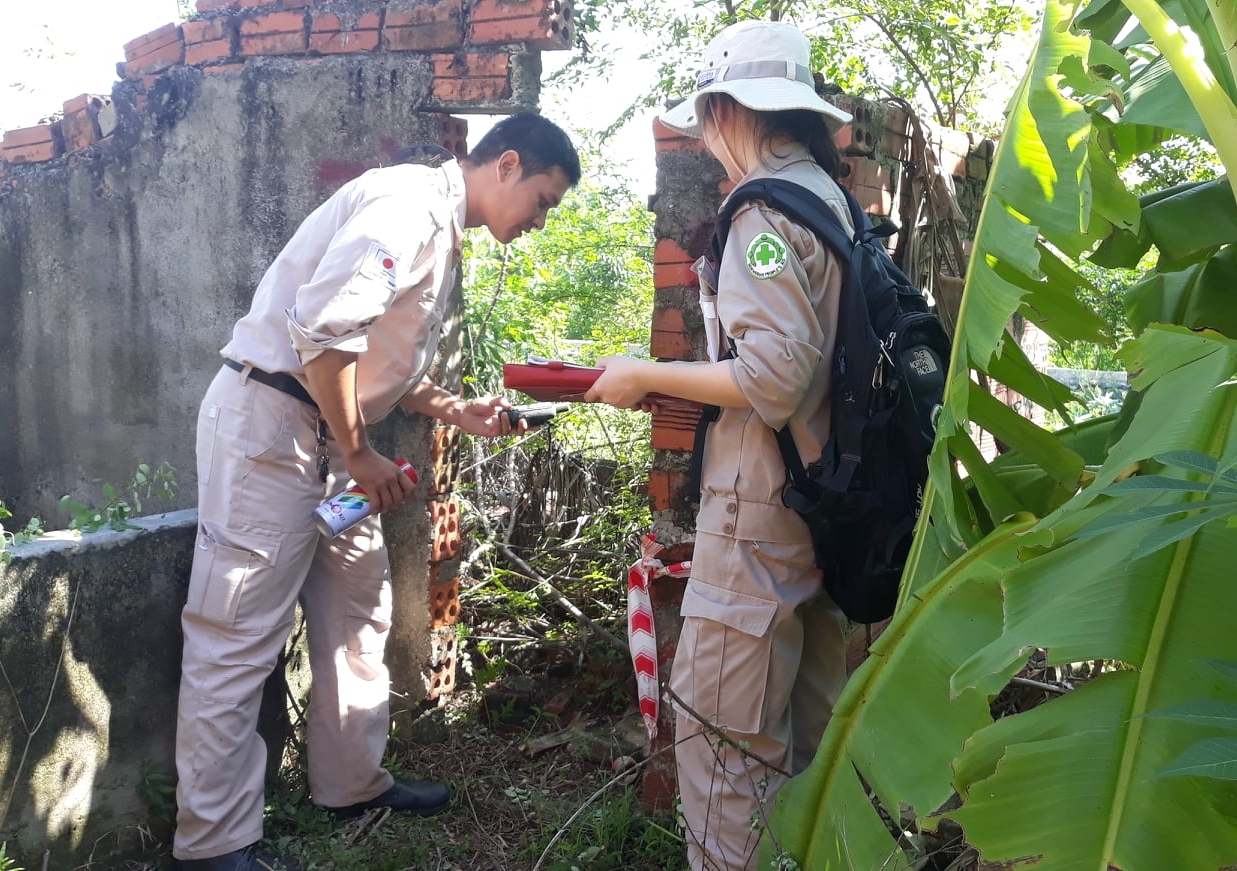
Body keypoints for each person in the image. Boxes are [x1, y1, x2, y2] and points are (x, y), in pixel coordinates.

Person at [174, 112, 581, 871]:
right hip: (275, 430)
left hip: (330, 444)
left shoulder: (442, 223)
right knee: (235, 638)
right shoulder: (409, 207)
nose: (539, 221)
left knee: (359, 609)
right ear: (508, 165)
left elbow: (374, 348)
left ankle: (350, 782)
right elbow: (324, 333)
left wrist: (454, 407)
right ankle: (213, 846)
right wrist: (361, 452)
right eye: (544, 200)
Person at [584, 20, 852, 871]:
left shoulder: (767, 211)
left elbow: (774, 378)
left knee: (725, 748)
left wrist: (646, 375)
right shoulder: (831, 198)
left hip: (762, 509)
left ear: (729, 108)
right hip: (825, 506)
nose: (705, 141)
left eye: (706, 119)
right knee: (802, 743)